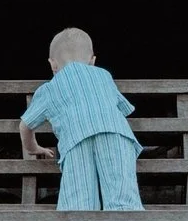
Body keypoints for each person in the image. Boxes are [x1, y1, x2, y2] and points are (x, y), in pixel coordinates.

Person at [19, 28, 143, 211]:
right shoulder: (104, 76)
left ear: (52, 64)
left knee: (78, 203)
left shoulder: (50, 88)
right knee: (122, 198)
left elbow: (25, 126)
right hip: (116, 134)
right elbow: (122, 109)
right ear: (92, 61)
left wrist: (33, 148)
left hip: (76, 139)